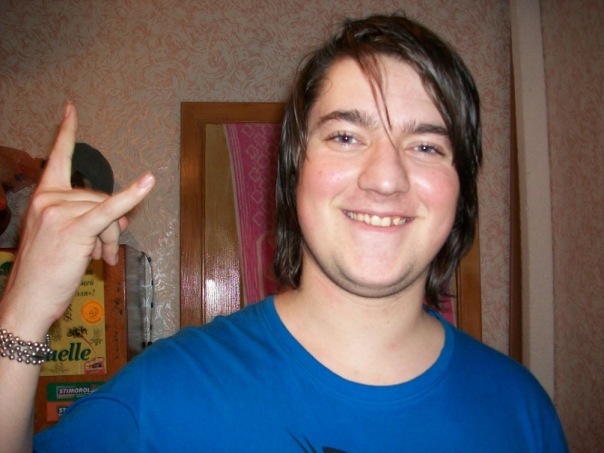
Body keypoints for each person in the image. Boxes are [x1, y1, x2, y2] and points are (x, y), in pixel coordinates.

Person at [0, 13, 567, 452]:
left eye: (425, 145)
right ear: (295, 171)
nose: (386, 178)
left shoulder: (521, 412)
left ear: (460, 187)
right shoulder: (168, 394)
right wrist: (22, 312)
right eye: (345, 137)